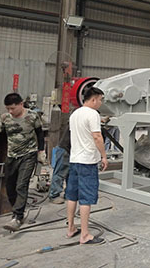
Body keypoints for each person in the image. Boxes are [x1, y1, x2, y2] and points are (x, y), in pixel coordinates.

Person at [0, 93, 46, 231]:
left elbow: (39, 134)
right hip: (12, 156)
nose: (10, 111)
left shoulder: (32, 116)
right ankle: (17, 210)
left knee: (21, 185)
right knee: (10, 187)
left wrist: (41, 151)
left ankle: (18, 216)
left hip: (28, 155)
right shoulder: (5, 118)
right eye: (8, 109)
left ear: (21, 104)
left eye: (13, 108)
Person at [65, 87, 108, 245]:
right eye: (100, 100)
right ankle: (85, 234)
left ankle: (71, 228)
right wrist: (104, 156)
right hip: (87, 161)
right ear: (94, 99)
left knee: (72, 195)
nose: (101, 103)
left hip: (74, 159)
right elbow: (97, 136)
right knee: (86, 198)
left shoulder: (75, 114)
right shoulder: (92, 114)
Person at [48, 126, 71, 204]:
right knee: (60, 173)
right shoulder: (77, 120)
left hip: (72, 150)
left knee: (71, 174)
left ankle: (69, 194)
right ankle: (54, 195)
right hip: (65, 149)